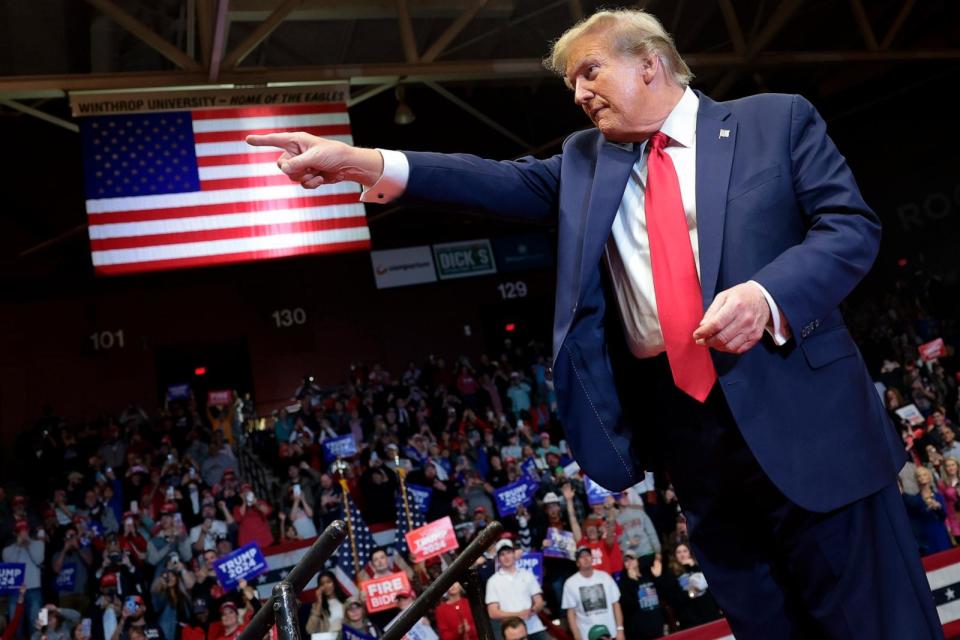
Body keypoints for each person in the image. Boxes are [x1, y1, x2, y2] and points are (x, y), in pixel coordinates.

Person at [247, 7, 941, 638]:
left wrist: (766, 295)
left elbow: (849, 228)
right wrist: (362, 162)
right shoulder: (585, 162)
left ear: (649, 62)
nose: (578, 93)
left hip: (808, 419)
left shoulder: (775, 121)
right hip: (690, 438)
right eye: (571, 83)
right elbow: (489, 179)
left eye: (589, 70)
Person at [484, 539, 546, 640]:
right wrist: (518, 614)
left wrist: (532, 610)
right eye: (502, 554)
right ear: (498, 558)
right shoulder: (492, 581)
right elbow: (492, 612)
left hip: (535, 627)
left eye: (509, 552)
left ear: (514, 554)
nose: (506, 557)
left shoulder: (527, 574)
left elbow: (539, 601)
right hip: (512, 633)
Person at [561, 547, 623, 640]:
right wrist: (577, 636)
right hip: (587, 636)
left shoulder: (605, 577)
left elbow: (616, 604)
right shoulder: (570, 583)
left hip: (611, 633)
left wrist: (620, 629)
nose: (586, 558)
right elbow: (571, 613)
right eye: (582, 557)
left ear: (592, 558)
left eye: (588, 555)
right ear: (577, 563)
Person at [305, 571, 348, 635]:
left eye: (328, 582)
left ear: (334, 583)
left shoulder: (346, 601)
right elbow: (310, 630)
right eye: (322, 584)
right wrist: (319, 602)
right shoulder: (317, 607)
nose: (326, 586)